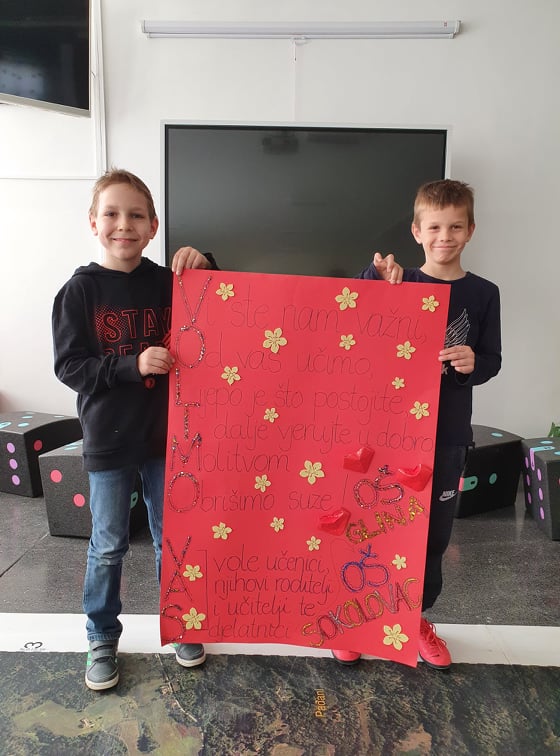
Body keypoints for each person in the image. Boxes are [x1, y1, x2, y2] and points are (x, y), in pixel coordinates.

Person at [52, 168, 217, 690]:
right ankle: (101, 636)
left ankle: (183, 622)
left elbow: (220, 308)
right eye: (112, 214)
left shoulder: (170, 282)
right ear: (93, 223)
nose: (124, 224)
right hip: (108, 439)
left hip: (168, 437)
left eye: (136, 215)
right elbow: (69, 366)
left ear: (153, 226)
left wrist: (205, 264)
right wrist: (132, 365)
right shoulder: (78, 291)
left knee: (174, 539)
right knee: (108, 544)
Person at [332, 179, 502, 670]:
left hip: (447, 437)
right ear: (416, 231)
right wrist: (375, 274)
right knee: (370, 528)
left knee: (432, 537)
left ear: (470, 230)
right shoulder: (399, 282)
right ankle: (353, 620)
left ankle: (413, 620)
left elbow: (491, 360)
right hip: (388, 436)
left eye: (455, 227)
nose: (444, 237)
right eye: (434, 227)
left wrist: (473, 363)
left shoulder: (484, 293)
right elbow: (351, 308)